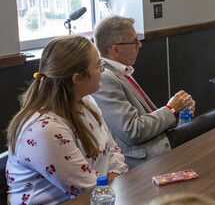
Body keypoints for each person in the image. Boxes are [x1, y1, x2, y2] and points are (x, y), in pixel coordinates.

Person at [6, 35, 128, 204]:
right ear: (77, 78)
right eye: (98, 65)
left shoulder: (86, 102)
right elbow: (87, 190)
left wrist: (109, 185)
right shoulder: (45, 130)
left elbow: (113, 151)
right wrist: (109, 188)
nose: (102, 70)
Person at [92, 16, 215, 168]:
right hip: (145, 151)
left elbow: (147, 117)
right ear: (115, 48)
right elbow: (133, 131)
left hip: (157, 137)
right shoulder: (105, 77)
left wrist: (178, 111)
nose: (139, 45)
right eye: (134, 41)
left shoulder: (121, 71)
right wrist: (171, 109)